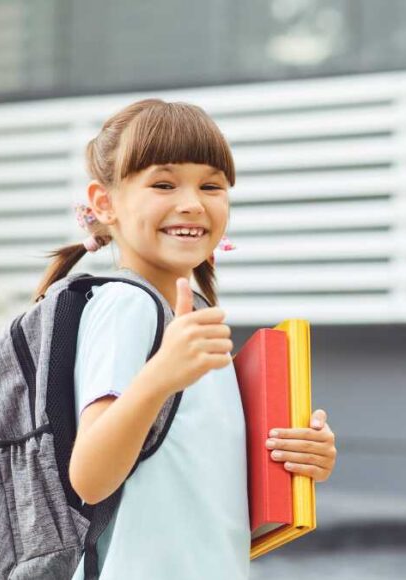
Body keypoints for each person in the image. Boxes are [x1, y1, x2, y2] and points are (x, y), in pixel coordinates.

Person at [33, 99, 337, 579]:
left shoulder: (190, 315)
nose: (193, 203)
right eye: (163, 184)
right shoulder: (126, 306)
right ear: (104, 202)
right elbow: (89, 478)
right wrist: (160, 375)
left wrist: (298, 458)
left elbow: (201, 497)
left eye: (211, 185)